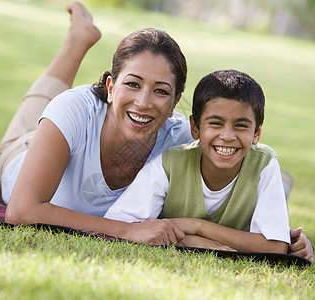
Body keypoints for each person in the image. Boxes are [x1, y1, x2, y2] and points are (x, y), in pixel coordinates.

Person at [0, 2, 313, 261]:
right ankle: (77, 40)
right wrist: (126, 231)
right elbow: (22, 211)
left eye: (160, 91)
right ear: (110, 86)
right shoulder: (75, 109)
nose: (144, 102)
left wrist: (288, 238)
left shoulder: (182, 141)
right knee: (40, 106)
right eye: (133, 84)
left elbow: (244, 172)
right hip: (15, 161)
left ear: (176, 103)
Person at [105, 70, 289, 254]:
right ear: (195, 127)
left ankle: (285, 184)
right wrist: (188, 239)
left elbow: (275, 247)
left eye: (241, 126)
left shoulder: (264, 163)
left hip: (264, 185)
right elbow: (121, 225)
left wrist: (197, 226)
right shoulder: (169, 164)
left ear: (256, 133)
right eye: (216, 123)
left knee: (279, 193)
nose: (227, 136)